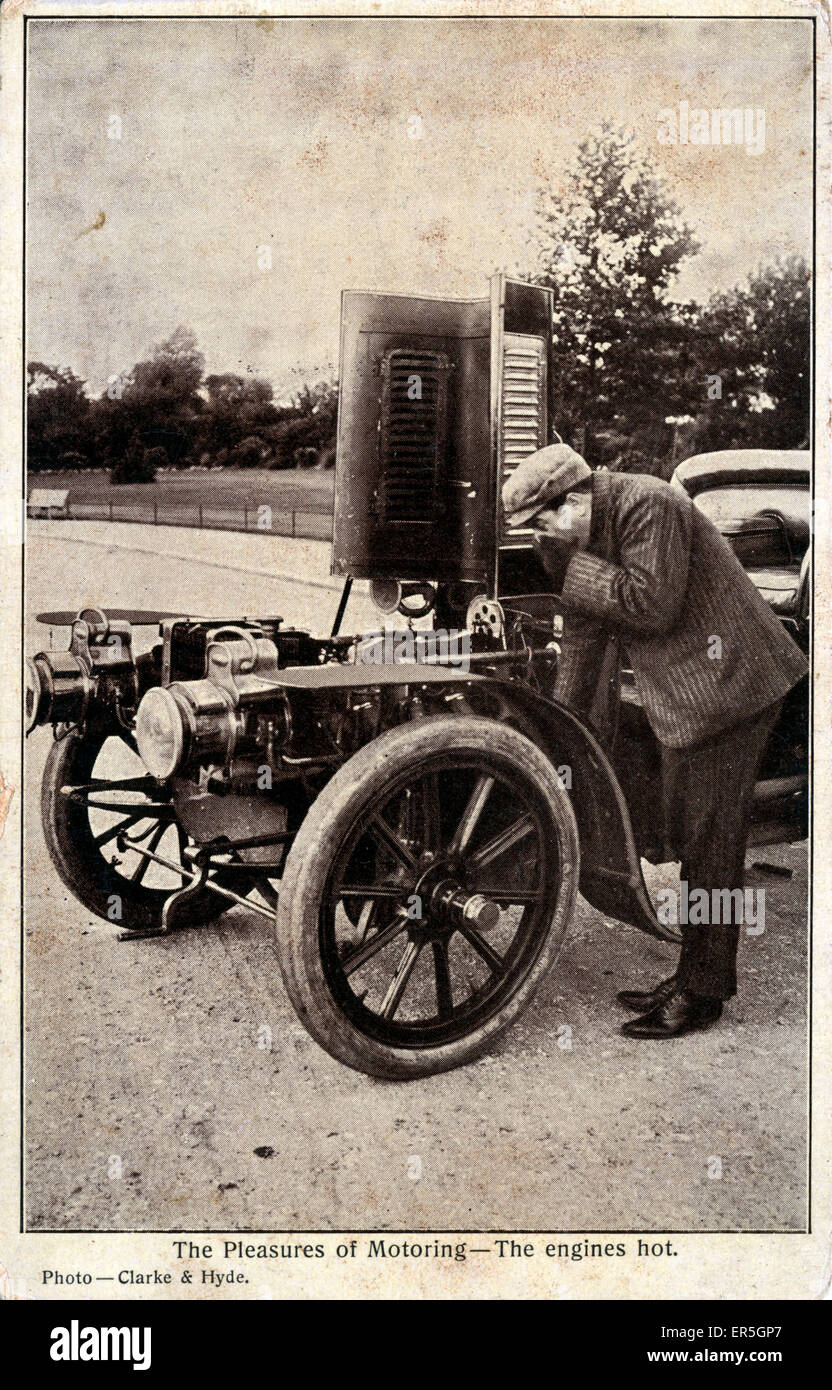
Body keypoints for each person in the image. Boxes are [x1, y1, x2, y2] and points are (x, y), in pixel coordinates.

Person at [502, 443, 808, 1039]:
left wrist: (569, 569)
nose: (542, 537)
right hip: (690, 685)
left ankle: (703, 992)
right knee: (691, 834)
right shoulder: (588, 527)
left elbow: (649, 604)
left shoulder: (651, 505)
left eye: (543, 521)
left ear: (576, 497)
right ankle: (690, 973)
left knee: (710, 845)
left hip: (732, 684)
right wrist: (562, 729)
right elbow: (587, 631)